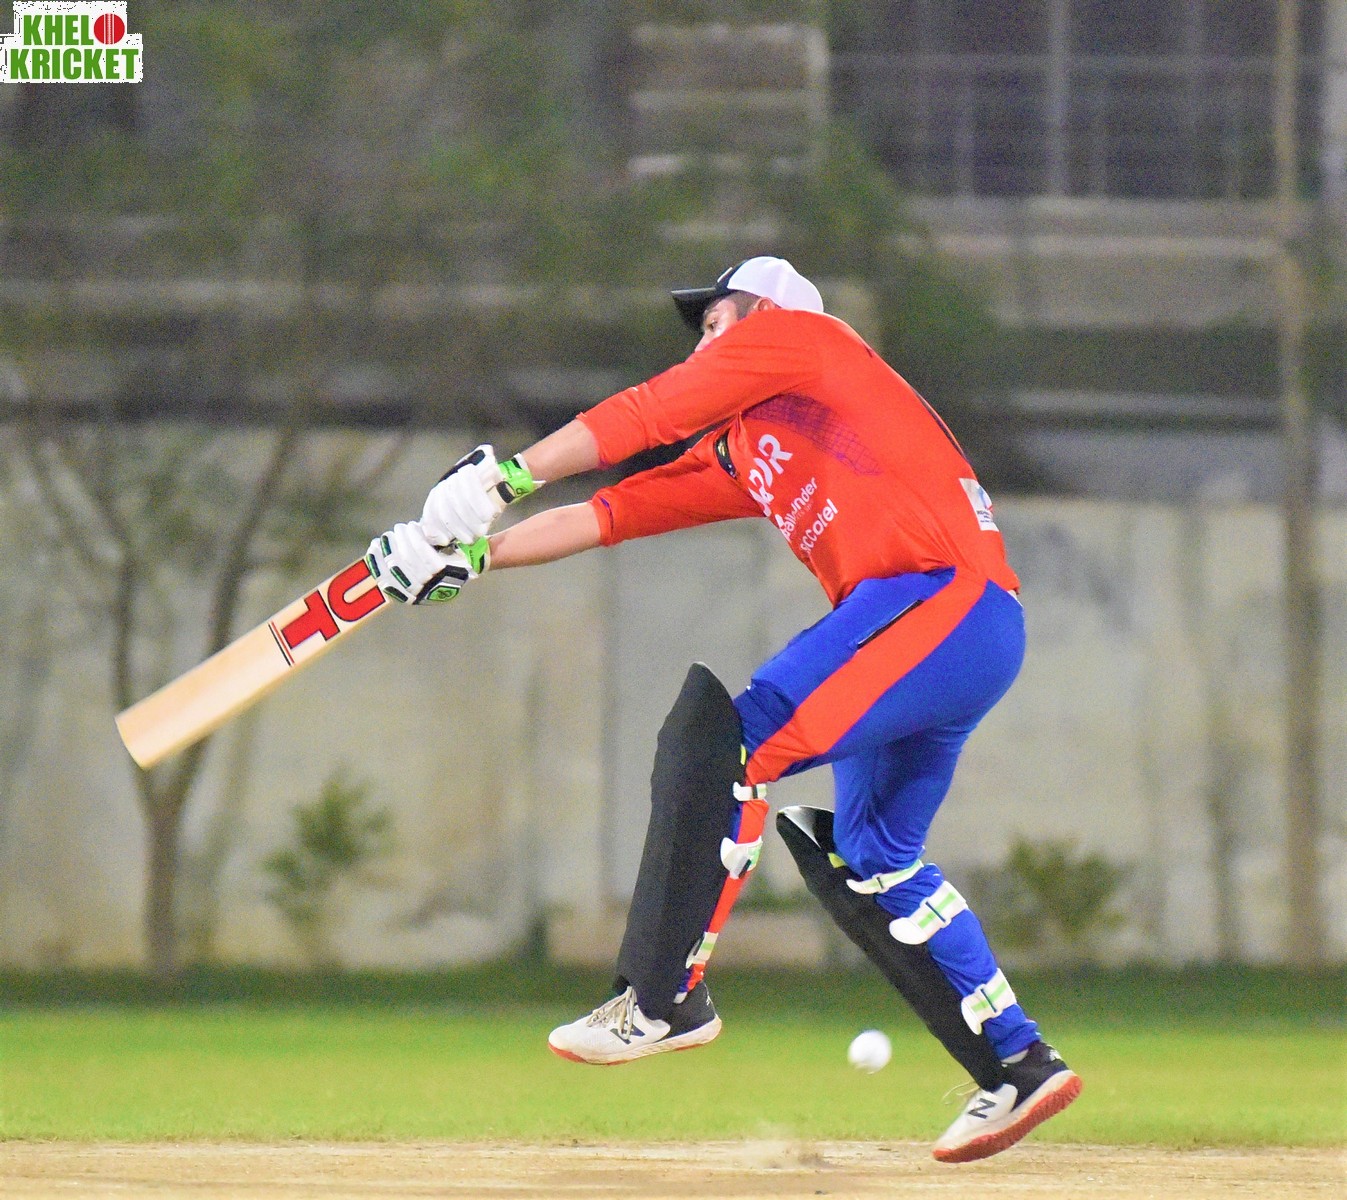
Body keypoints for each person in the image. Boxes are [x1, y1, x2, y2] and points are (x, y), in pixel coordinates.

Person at [366, 256, 1081, 1163]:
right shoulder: (748, 446)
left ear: (765, 313)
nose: (702, 340)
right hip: (938, 631)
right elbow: (615, 511)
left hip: (939, 600)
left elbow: (647, 412)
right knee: (873, 857)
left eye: (714, 320)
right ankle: (1017, 1064)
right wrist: (470, 557)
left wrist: (499, 479)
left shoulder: (803, 340)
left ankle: (664, 998)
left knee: (734, 739)